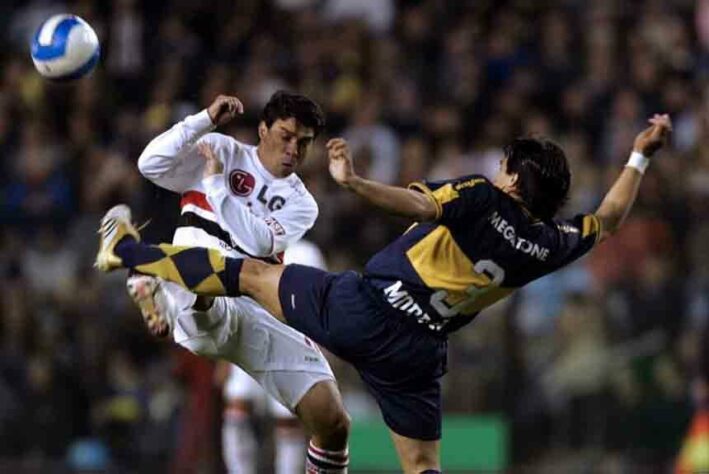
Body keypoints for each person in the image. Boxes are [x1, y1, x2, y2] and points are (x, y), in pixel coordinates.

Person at [96, 114, 672, 473]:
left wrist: (354, 183)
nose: (496, 170)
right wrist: (639, 156)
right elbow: (611, 218)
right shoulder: (552, 242)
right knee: (421, 465)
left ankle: (131, 255)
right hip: (417, 356)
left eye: (503, 167)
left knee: (245, 275)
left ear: (515, 180)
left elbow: (420, 204)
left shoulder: (480, 196)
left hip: (365, 308)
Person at [123, 91, 350, 473]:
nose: (294, 149)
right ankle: (164, 282)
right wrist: (204, 119)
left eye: (304, 143)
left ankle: (155, 275)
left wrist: (214, 188)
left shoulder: (302, 203)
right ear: (263, 129)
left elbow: (258, 241)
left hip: (258, 306)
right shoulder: (221, 149)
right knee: (210, 295)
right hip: (205, 291)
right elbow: (150, 163)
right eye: (286, 136)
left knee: (331, 419)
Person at [218, 240, 329, 474]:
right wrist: (224, 355)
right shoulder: (245, 241)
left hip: (291, 343)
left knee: (286, 421)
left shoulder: (306, 251)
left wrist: (319, 348)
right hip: (249, 337)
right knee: (237, 407)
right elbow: (232, 300)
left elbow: (320, 301)